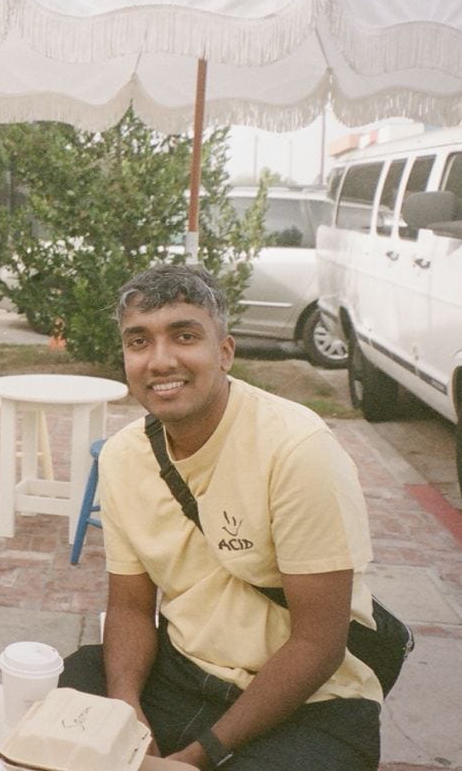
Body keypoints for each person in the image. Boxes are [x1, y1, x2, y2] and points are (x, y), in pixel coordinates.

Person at [59, 264, 380, 770]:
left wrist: (197, 757)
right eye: (139, 341)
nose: (160, 360)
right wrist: (126, 711)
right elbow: (130, 609)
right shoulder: (122, 458)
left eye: (184, 336)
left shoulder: (297, 449)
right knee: (79, 681)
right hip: (184, 672)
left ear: (224, 352)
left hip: (309, 699)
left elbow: (319, 644)